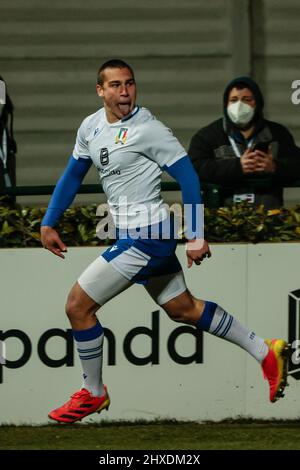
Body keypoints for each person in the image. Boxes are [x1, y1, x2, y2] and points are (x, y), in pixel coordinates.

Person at [41, 60, 289, 424]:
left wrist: (196, 235)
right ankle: (265, 352)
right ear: (101, 91)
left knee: (77, 307)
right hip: (133, 237)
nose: (124, 91)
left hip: (148, 238)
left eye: (129, 84)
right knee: (183, 309)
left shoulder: (149, 129)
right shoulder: (90, 127)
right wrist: (49, 221)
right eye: (115, 85)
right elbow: (74, 174)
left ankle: (93, 393)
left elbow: (189, 178)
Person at [188, 76, 300, 209]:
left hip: (268, 219)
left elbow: (296, 164)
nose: (239, 105)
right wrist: (237, 166)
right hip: (222, 220)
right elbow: (194, 167)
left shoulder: (277, 134)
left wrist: (275, 167)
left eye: (247, 100)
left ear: (257, 103)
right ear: (226, 104)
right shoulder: (208, 136)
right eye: (233, 100)